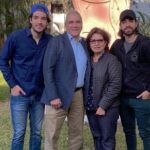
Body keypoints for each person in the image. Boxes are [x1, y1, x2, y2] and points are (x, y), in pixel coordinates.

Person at [0, 3, 52, 150]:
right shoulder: (16, 37)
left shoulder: (50, 41)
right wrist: (12, 85)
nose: (39, 22)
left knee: (36, 133)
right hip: (20, 95)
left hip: (39, 95)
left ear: (47, 22)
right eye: (36, 18)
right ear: (30, 20)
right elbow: (2, 60)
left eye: (43, 18)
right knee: (19, 133)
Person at [41, 10, 89, 150]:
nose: (75, 25)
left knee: (77, 134)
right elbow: (47, 69)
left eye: (78, 22)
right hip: (58, 95)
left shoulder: (84, 43)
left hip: (78, 95)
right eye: (71, 22)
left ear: (82, 24)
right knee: (52, 135)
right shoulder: (56, 42)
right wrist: (53, 96)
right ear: (66, 25)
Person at [111, 9, 150, 150]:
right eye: (124, 22)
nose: (127, 24)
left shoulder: (145, 43)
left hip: (142, 98)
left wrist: (149, 91)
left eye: (130, 21)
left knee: (146, 133)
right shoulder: (116, 46)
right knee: (129, 132)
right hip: (123, 98)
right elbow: (109, 65)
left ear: (136, 23)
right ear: (120, 26)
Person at [84, 27, 122, 150]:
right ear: (89, 43)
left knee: (107, 139)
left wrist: (103, 106)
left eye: (100, 40)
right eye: (93, 41)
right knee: (97, 137)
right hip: (91, 107)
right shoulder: (88, 60)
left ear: (105, 42)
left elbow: (115, 84)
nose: (96, 43)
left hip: (108, 108)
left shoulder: (111, 60)